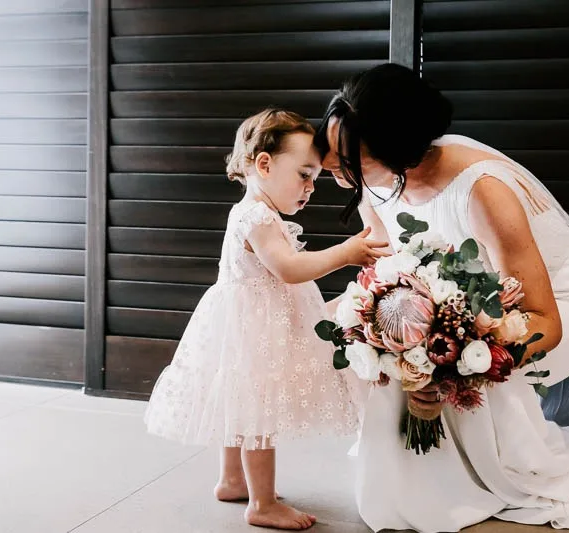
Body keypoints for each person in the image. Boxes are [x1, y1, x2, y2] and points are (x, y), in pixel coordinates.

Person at [315, 64, 569, 532]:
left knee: (445, 369)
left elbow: (545, 321)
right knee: (388, 350)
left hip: (555, 311)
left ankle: (469, 481)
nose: (330, 163)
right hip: (459, 304)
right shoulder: (376, 179)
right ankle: (425, 477)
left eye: (348, 156)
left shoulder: (483, 192)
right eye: (331, 148)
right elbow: (390, 262)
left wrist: (453, 366)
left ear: (397, 149)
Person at [144, 109, 389, 530]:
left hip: (248, 322)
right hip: (254, 325)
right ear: (264, 164)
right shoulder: (256, 217)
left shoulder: (257, 212)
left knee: (238, 400)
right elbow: (289, 269)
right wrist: (346, 254)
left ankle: (232, 479)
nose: (311, 188)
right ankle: (261, 504)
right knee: (258, 412)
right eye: (305, 175)